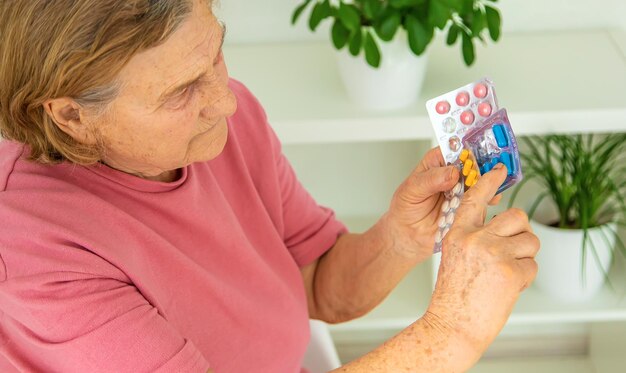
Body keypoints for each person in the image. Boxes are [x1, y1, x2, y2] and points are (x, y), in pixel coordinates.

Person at [0, 0, 540, 372]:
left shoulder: (224, 125)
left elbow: (317, 286)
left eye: (214, 52)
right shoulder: (30, 245)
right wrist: (451, 333)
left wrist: (401, 239)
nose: (227, 101)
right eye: (182, 91)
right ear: (71, 115)